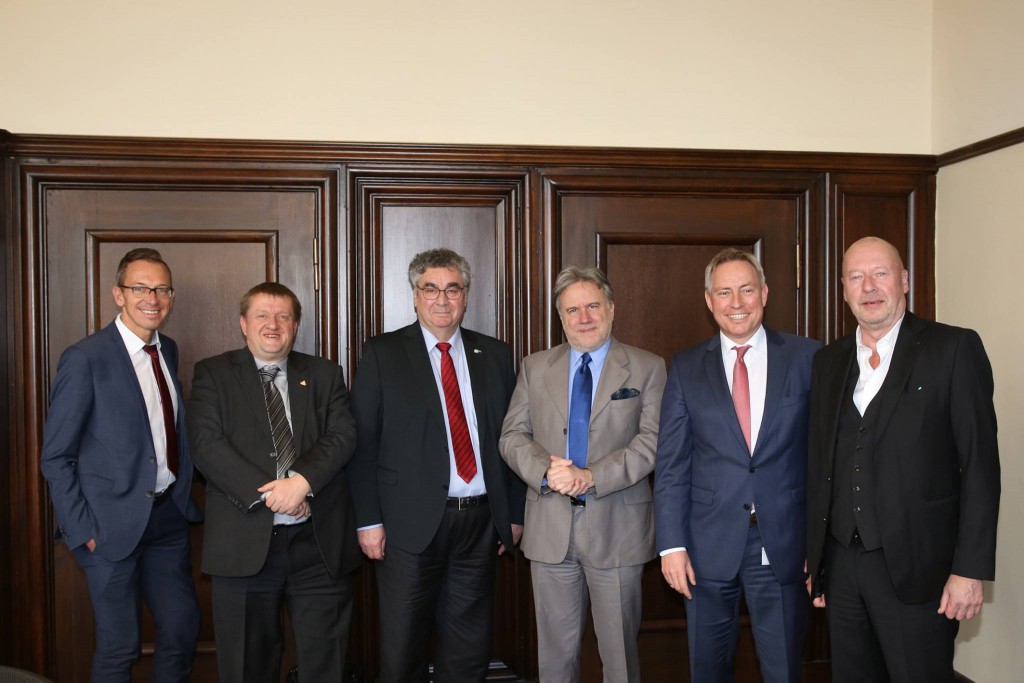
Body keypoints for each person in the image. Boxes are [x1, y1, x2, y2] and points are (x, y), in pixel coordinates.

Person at [806, 236, 1000, 682]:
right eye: (856, 277)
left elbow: (980, 469)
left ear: (905, 280)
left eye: (881, 273)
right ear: (843, 288)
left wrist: (969, 570)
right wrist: (815, 559)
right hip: (842, 567)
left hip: (921, 570)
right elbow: (820, 467)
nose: (869, 286)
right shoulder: (828, 362)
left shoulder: (952, 349)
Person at [348, 247, 525, 683]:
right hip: (408, 525)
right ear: (415, 295)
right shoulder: (382, 353)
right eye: (430, 289)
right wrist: (368, 520)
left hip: (481, 521)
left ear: (466, 296)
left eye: (452, 289)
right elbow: (363, 443)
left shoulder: (496, 354)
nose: (441, 300)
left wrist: (514, 514)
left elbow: (515, 438)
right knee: (403, 643)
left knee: (469, 645)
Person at [654, 248, 819, 683]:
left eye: (746, 289)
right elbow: (671, 464)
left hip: (785, 545)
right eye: (724, 292)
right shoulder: (687, 367)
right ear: (709, 301)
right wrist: (671, 545)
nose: (737, 302)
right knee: (708, 670)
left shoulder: (807, 359)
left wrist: (819, 545)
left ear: (764, 293)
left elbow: (823, 460)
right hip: (706, 550)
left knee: (784, 670)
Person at [40, 248, 202, 682]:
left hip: (168, 520)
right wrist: (85, 534)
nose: (153, 298)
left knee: (182, 630)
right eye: (140, 288)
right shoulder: (86, 358)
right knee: (118, 646)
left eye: (162, 289)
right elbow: (56, 456)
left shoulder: (167, 348)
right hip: (110, 529)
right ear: (118, 294)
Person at [500, 265, 666, 683]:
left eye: (593, 306)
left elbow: (652, 443)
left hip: (618, 530)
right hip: (550, 530)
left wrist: (591, 476)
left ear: (611, 308)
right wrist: (547, 472)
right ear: (561, 317)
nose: (584, 317)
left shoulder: (647, 368)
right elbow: (512, 436)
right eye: (572, 310)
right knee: (554, 661)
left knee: (620, 661)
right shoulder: (535, 367)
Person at [188, 282, 359, 683]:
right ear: (244, 324)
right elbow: (206, 445)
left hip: (318, 547)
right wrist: (274, 496)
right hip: (244, 547)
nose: (273, 325)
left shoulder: (324, 373)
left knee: (326, 667)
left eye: (283, 316)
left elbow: (343, 436)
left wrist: (301, 483)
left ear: (296, 325)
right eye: (262, 316)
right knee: (248, 668)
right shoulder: (213, 373)